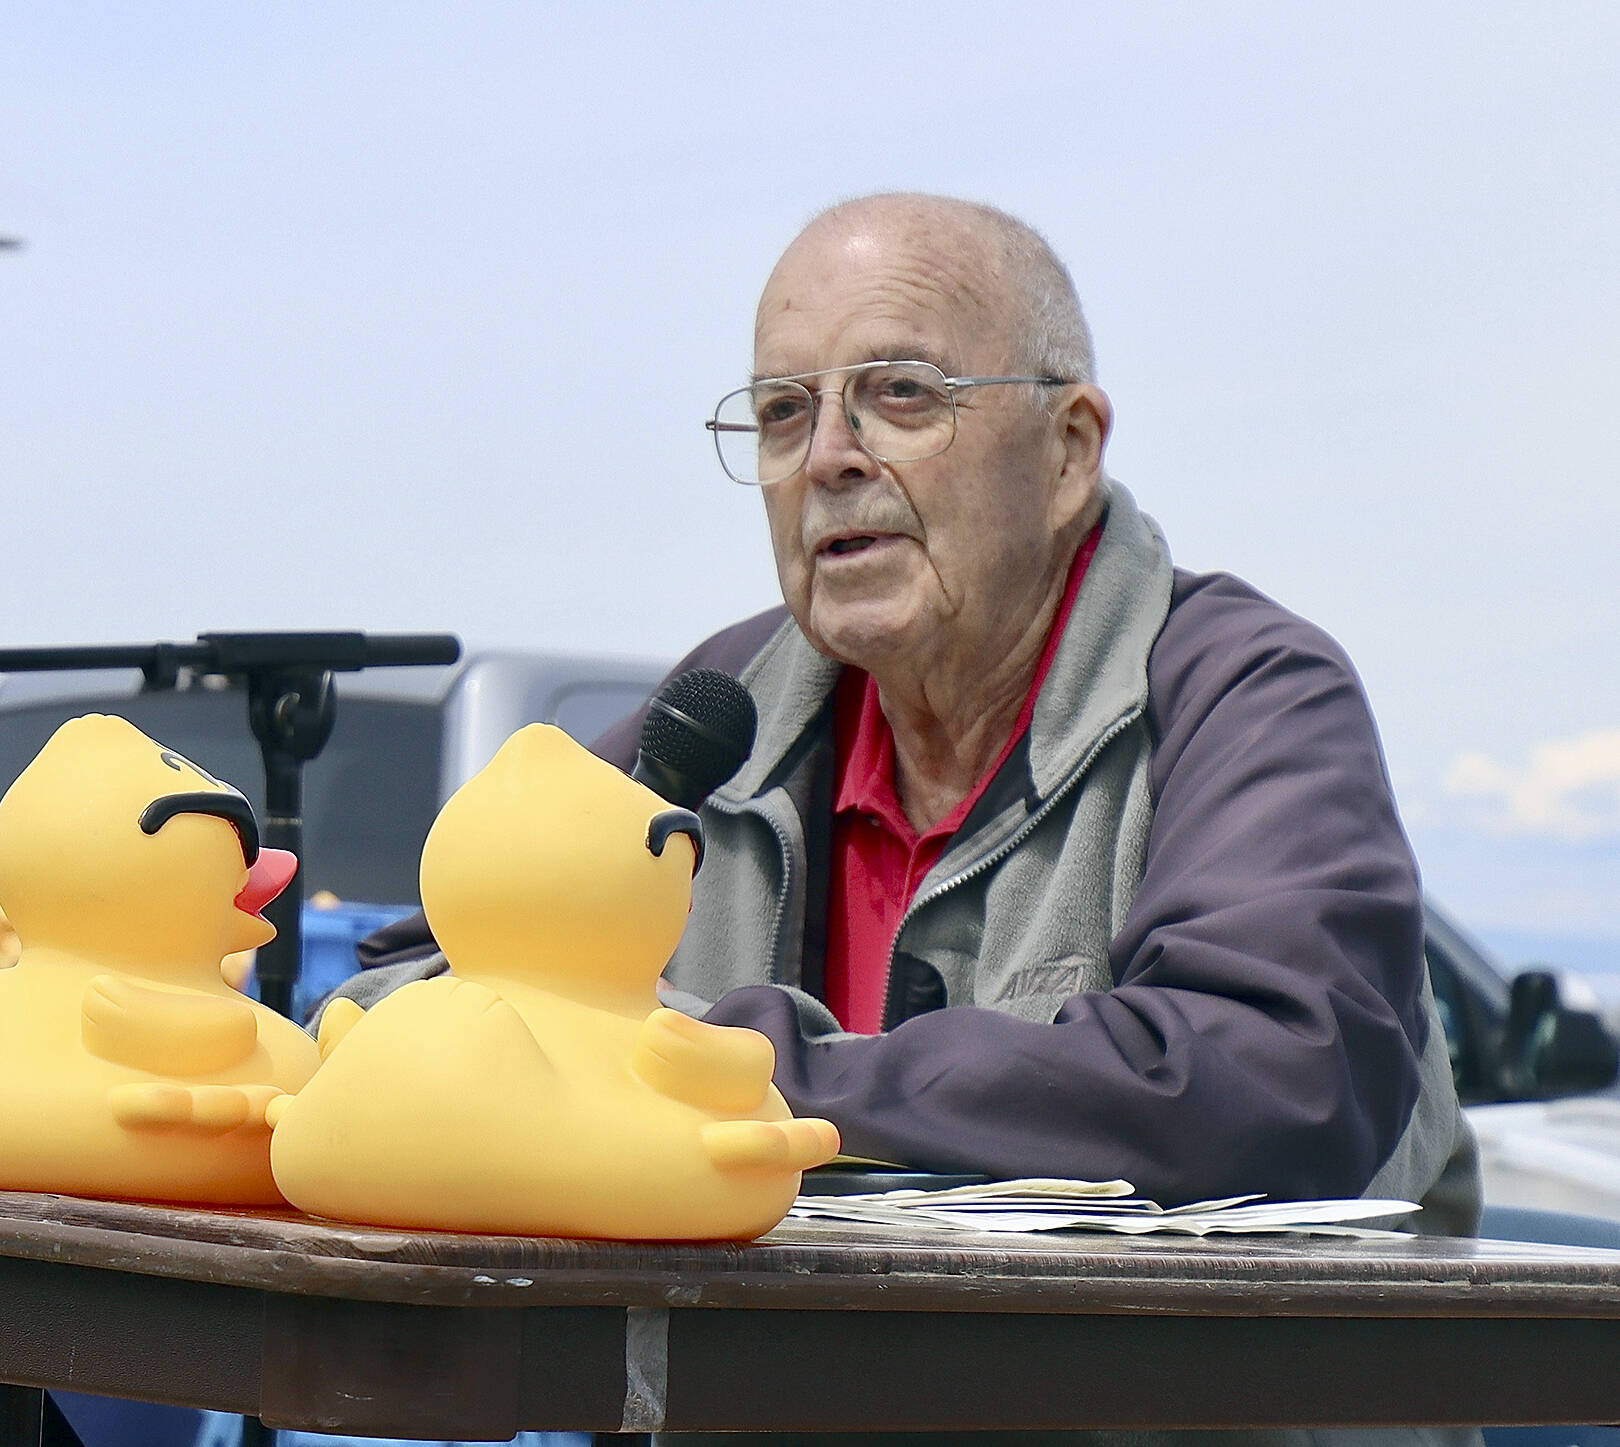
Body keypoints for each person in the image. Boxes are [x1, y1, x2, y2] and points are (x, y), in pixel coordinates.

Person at [352, 191, 1476, 1234]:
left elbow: (1277, 1083)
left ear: (1070, 449)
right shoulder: (728, 702)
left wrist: (738, 1070)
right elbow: (407, 990)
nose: (831, 458)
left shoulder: (1245, 689)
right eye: (785, 413)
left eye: (901, 394)